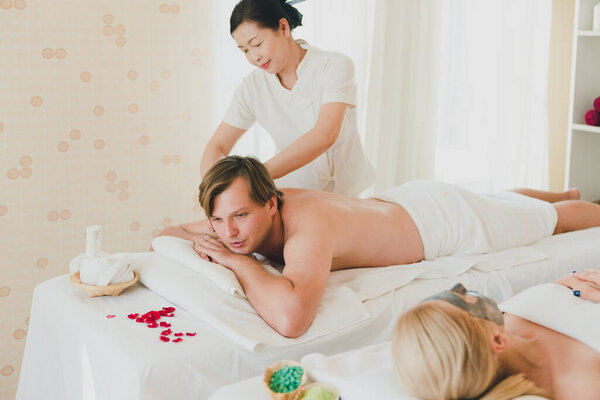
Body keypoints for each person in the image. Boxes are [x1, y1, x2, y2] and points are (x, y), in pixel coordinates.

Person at [158, 155, 598, 338]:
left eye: (240, 216)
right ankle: (563, 192)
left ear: (271, 204)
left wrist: (239, 263)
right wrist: (212, 236)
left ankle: (575, 206)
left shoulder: (307, 225)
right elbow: (169, 232)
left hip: (447, 223)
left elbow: (292, 319)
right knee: (499, 201)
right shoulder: (246, 203)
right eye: (218, 219)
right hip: (410, 200)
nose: (228, 231)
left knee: (548, 222)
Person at [201, 0, 375, 196]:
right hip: (294, 193)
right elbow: (218, 146)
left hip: (347, 193)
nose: (254, 57)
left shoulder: (333, 66)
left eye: (257, 44)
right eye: (245, 50)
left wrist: (254, 177)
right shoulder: (252, 87)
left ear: (283, 27)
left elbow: (324, 135)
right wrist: (213, 190)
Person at [391, 271, 600, 399]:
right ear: (498, 341)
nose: (460, 287)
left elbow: (567, 284)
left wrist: (574, 281)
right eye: (458, 300)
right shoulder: (586, 388)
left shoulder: (508, 317)